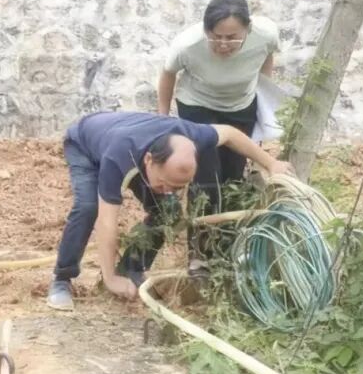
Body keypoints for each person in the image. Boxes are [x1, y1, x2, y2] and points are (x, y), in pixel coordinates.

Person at [46, 111, 294, 311]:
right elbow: (107, 221)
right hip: (85, 144)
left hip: (127, 138)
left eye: (178, 187)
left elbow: (230, 134)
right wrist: (109, 279)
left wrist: (271, 163)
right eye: (165, 184)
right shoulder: (118, 156)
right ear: (149, 161)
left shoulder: (193, 135)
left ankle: (130, 270)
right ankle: (62, 279)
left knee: (169, 211)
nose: (169, 190)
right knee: (88, 207)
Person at [156, 0, 280, 215]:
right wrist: (162, 118)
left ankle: (227, 230)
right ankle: (201, 232)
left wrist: (263, 99)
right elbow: (168, 73)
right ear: (206, 30)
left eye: (231, 38)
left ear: (248, 29)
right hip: (197, 107)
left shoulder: (266, 35)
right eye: (215, 37)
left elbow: (266, 57)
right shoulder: (187, 44)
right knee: (206, 178)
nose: (223, 45)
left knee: (233, 177)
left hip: (240, 107)